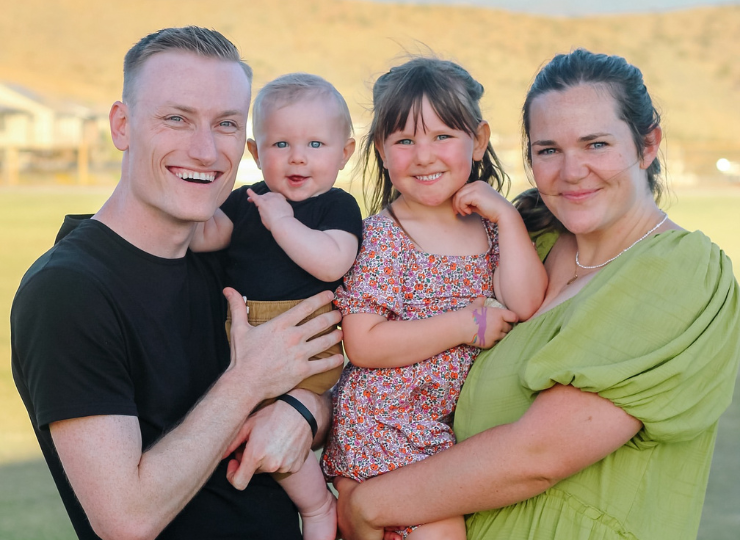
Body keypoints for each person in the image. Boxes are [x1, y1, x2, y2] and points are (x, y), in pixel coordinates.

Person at [333, 49, 740, 540]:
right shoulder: (527, 242)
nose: (572, 171)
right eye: (548, 150)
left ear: (647, 144)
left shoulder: (681, 270)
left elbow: (536, 456)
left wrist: (367, 506)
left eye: (596, 144)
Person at [10, 27, 344, 540]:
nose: (206, 151)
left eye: (225, 124)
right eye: (176, 119)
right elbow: (126, 520)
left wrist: (301, 408)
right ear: (122, 126)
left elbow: (325, 392)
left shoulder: (238, 253)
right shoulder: (67, 292)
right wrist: (249, 382)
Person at [321, 57, 548, 539]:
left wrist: (508, 218)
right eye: (404, 140)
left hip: (436, 430)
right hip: (383, 423)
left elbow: (526, 303)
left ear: (479, 141)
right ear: (381, 151)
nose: (424, 156)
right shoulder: (384, 237)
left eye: (442, 136)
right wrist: (466, 325)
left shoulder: (492, 230)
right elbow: (362, 343)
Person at [190, 72, 362, 540]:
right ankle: (305, 502)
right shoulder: (249, 201)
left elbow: (333, 261)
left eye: (315, 144)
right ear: (254, 152)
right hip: (247, 344)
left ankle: (317, 506)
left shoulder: (336, 206)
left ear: (344, 153)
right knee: (233, 421)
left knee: (266, 416)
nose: (297, 157)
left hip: (307, 348)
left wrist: (283, 222)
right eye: (281, 144)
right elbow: (205, 235)